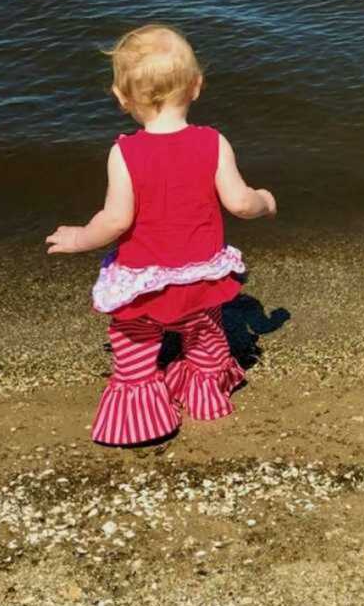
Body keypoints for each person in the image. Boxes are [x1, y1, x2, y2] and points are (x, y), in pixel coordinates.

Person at [46, 24, 276, 445]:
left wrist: (79, 238)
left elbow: (115, 220)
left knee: (134, 345)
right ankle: (206, 396)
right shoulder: (213, 142)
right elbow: (241, 203)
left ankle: (141, 420)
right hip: (200, 278)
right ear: (197, 86)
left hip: (144, 284)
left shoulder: (125, 152)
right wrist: (264, 199)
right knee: (205, 336)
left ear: (121, 98)